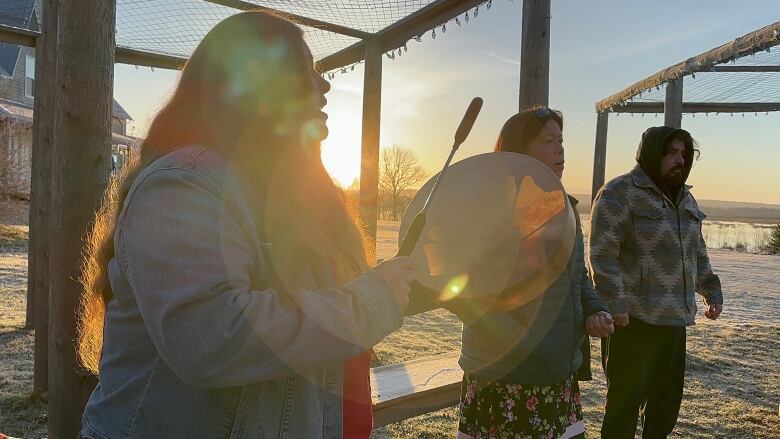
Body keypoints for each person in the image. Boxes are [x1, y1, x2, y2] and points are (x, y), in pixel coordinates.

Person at [78, 11, 413, 438]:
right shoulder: (184, 185)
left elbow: (317, 309)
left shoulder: (284, 196)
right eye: (305, 68)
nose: (324, 83)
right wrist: (367, 303)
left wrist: (399, 289)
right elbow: (213, 338)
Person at [443, 107, 614, 439]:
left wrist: (596, 309)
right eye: (549, 140)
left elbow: (578, 276)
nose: (560, 148)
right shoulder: (491, 212)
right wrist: (517, 340)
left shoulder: (566, 210)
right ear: (519, 151)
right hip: (505, 377)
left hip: (556, 373)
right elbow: (464, 292)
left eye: (561, 140)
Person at [589, 126, 724, 438]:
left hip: (675, 321)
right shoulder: (619, 193)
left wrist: (711, 290)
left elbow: (698, 252)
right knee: (623, 409)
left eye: (684, 154)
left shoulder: (686, 200)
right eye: (671, 152)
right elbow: (602, 254)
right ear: (651, 153)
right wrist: (615, 304)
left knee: (664, 411)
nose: (680, 159)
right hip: (632, 321)